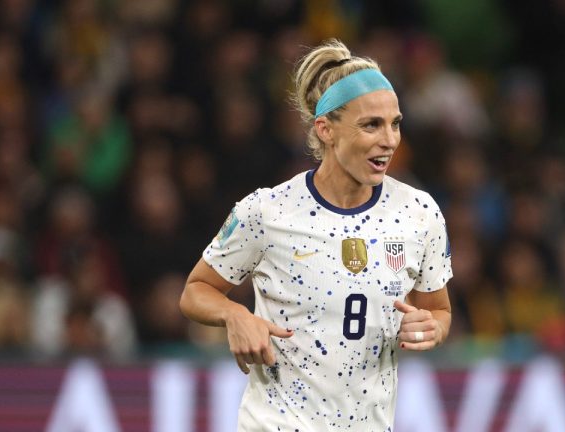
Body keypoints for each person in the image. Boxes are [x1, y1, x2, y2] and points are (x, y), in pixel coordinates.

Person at [180, 39, 453, 431]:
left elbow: (438, 310)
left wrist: (432, 328)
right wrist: (234, 314)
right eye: (371, 124)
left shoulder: (419, 214)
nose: (390, 140)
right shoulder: (266, 211)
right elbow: (195, 291)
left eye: (395, 123)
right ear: (325, 129)